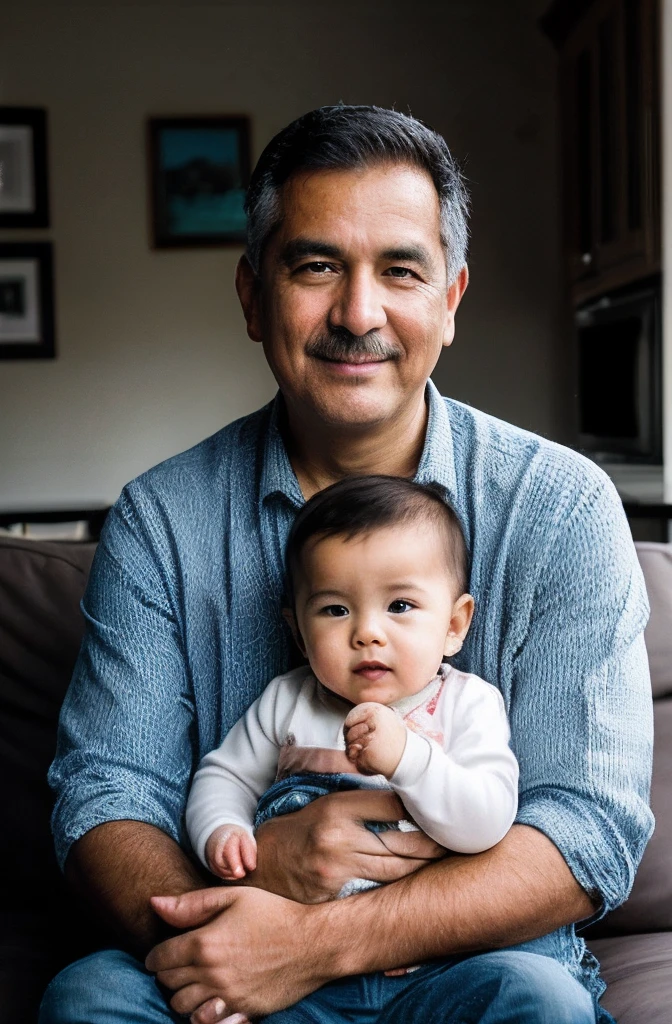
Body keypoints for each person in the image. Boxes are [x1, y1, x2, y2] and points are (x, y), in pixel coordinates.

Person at [40, 105, 653, 1024]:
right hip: (230, 950)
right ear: (253, 298)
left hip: (472, 969)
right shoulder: (161, 521)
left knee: (540, 1005)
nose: (357, 313)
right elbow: (108, 793)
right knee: (89, 998)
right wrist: (237, 908)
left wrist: (313, 943)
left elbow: (587, 831)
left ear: (451, 299)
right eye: (316, 265)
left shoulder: (562, 506)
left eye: (400, 270)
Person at [187, 475, 519, 906]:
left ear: (454, 626)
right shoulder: (287, 702)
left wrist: (409, 759)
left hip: (428, 939)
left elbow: (486, 822)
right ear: (300, 635)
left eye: (400, 606)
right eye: (335, 609)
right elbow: (225, 777)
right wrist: (223, 828)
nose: (367, 633)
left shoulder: (467, 704)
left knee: (524, 977)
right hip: (295, 935)